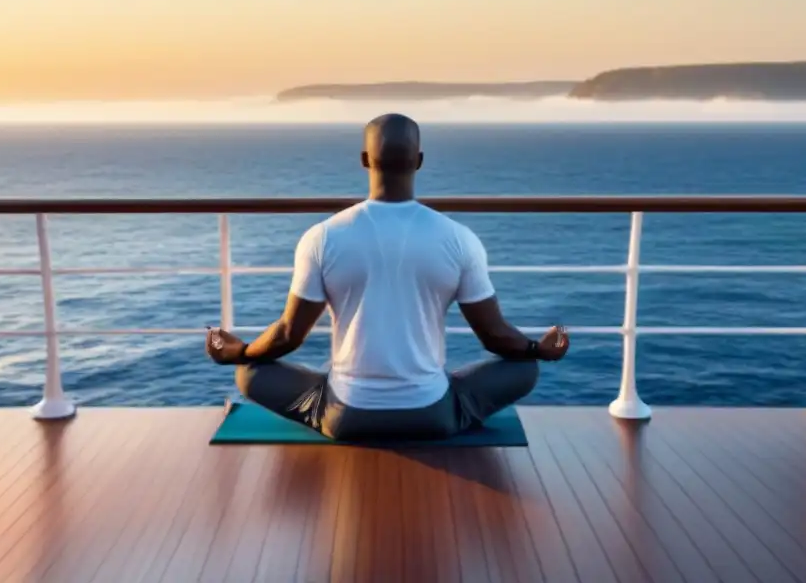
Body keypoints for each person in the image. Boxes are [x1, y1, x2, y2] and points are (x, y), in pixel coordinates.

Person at [205, 113, 569, 441]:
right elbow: (495, 336)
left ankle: (329, 411)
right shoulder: (459, 239)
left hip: (346, 416)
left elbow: (287, 336)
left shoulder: (323, 237)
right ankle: (448, 411)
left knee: (249, 374)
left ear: (364, 160)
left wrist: (240, 352)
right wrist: (539, 349)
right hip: (432, 415)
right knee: (525, 370)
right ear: (419, 161)